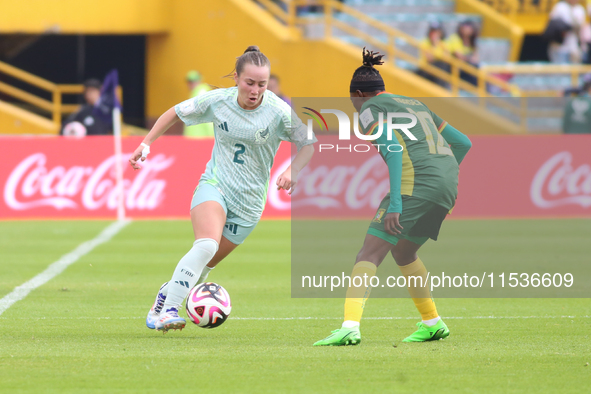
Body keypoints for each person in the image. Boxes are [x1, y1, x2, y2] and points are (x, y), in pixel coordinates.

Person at [129, 46, 316, 333]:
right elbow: (174, 112)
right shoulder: (219, 101)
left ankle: (166, 295)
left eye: (262, 84)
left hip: (250, 204)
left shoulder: (278, 110)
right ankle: (168, 311)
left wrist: (293, 170)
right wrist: (146, 143)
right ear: (237, 78)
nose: (255, 90)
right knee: (206, 245)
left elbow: (309, 144)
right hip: (215, 186)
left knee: (203, 269)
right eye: (249, 82)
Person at [313, 48, 472, 346]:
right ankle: (433, 322)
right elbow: (463, 143)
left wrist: (396, 204)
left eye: (352, 101)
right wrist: (442, 174)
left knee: (368, 253)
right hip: (447, 186)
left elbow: (395, 151)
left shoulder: (370, 111)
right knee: (403, 252)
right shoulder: (415, 104)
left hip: (417, 185)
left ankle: (350, 326)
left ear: (359, 94)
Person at [417, 21, 451, 88]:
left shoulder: (443, 43)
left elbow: (447, 59)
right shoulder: (425, 42)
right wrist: (436, 45)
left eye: (437, 32)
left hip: (438, 70)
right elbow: (430, 58)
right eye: (433, 32)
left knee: (443, 66)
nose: (435, 34)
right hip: (426, 69)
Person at [447, 21, 479, 86]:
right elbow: (459, 56)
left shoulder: (472, 41)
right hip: (453, 67)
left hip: (465, 67)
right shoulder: (455, 38)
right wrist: (470, 59)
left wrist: (470, 59)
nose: (467, 30)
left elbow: (476, 58)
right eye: (465, 28)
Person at [183, 70, 214, 138]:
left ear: (199, 80)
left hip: (201, 137)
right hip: (194, 136)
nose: (191, 84)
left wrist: (211, 136)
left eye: (193, 81)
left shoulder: (201, 93)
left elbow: (208, 114)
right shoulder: (195, 93)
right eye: (189, 82)